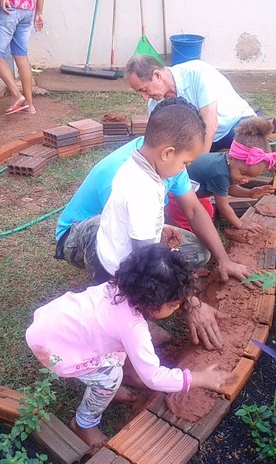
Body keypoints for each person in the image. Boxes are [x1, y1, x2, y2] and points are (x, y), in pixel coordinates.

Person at [55, 98, 255, 351]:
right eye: (185, 163)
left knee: (192, 252)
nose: (185, 169)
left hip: (124, 239)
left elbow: (191, 209)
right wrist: (189, 302)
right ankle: (121, 312)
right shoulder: (138, 187)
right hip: (88, 239)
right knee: (138, 280)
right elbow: (144, 260)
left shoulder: (147, 162)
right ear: (168, 152)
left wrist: (222, 258)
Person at [26, 244, 236, 451]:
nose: (179, 307)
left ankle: (104, 391)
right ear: (154, 306)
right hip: (55, 349)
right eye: (174, 305)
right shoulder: (132, 328)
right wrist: (199, 378)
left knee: (115, 355)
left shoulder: (119, 287)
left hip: (53, 323)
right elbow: (154, 377)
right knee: (110, 376)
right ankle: (84, 423)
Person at [165, 117, 276, 232]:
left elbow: (228, 188)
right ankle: (187, 235)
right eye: (243, 173)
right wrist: (240, 224)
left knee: (207, 212)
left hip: (195, 191)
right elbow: (224, 207)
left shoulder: (229, 164)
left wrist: (250, 193)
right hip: (176, 194)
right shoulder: (219, 174)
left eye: (252, 177)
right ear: (231, 158)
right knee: (191, 221)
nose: (246, 180)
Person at [126, 55, 255, 152]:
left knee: (245, 158)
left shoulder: (198, 72)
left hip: (235, 124)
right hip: (201, 139)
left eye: (144, 89)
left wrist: (200, 163)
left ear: (157, 75)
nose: (144, 97)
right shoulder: (154, 104)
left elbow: (210, 124)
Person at [0, 0, 44, 115]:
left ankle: (17, 95)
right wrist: (39, 11)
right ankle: (29, 105)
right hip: (28, 8)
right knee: (21, 55)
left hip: (8, 6)